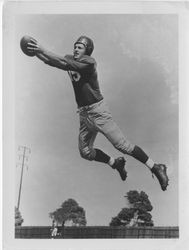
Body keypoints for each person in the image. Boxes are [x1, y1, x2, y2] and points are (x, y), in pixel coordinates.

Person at [27, 35, 169, 191]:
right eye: (75, 46)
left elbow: (63, 62)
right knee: (85, 152)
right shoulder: (70, 59)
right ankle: (116, 163)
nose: (75, 49)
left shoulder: (90, 62)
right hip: (84, 115)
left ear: (87, 51)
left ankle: (156, 167)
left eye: (79, 47)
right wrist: (34, 52)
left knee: (122, 146)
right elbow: (53, 61)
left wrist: (41, 48)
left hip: (98, 111)